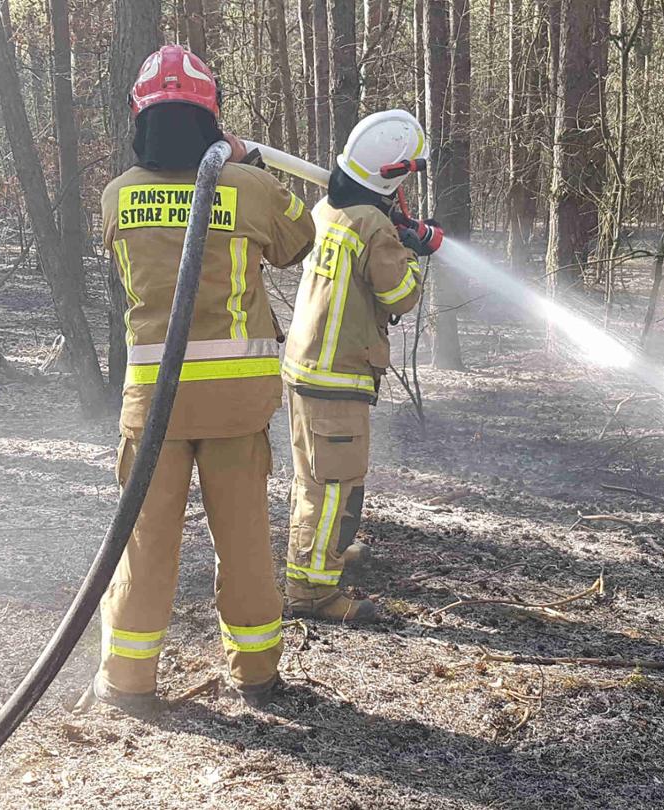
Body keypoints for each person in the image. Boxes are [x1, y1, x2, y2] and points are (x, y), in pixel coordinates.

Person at [89, 45, 316, 715]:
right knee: (244, 539)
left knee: (144, 542)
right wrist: (249, 165)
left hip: (151, 408)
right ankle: (256, 675)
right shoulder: (248, 188)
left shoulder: (116, 196)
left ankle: (128, 684)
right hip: (235, 408)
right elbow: (299, 240)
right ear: (210, 117)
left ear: (140, 118)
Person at [280, 110, 438, 622]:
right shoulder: (372, 224)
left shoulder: (327, 208)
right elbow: (399, 295)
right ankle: (314, 594)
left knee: (313, 478)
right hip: (337, 376)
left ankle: (318, 558)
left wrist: (396, 236)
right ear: (390, 175)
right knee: (333, 488)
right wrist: (412, 253)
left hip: (306, 369)